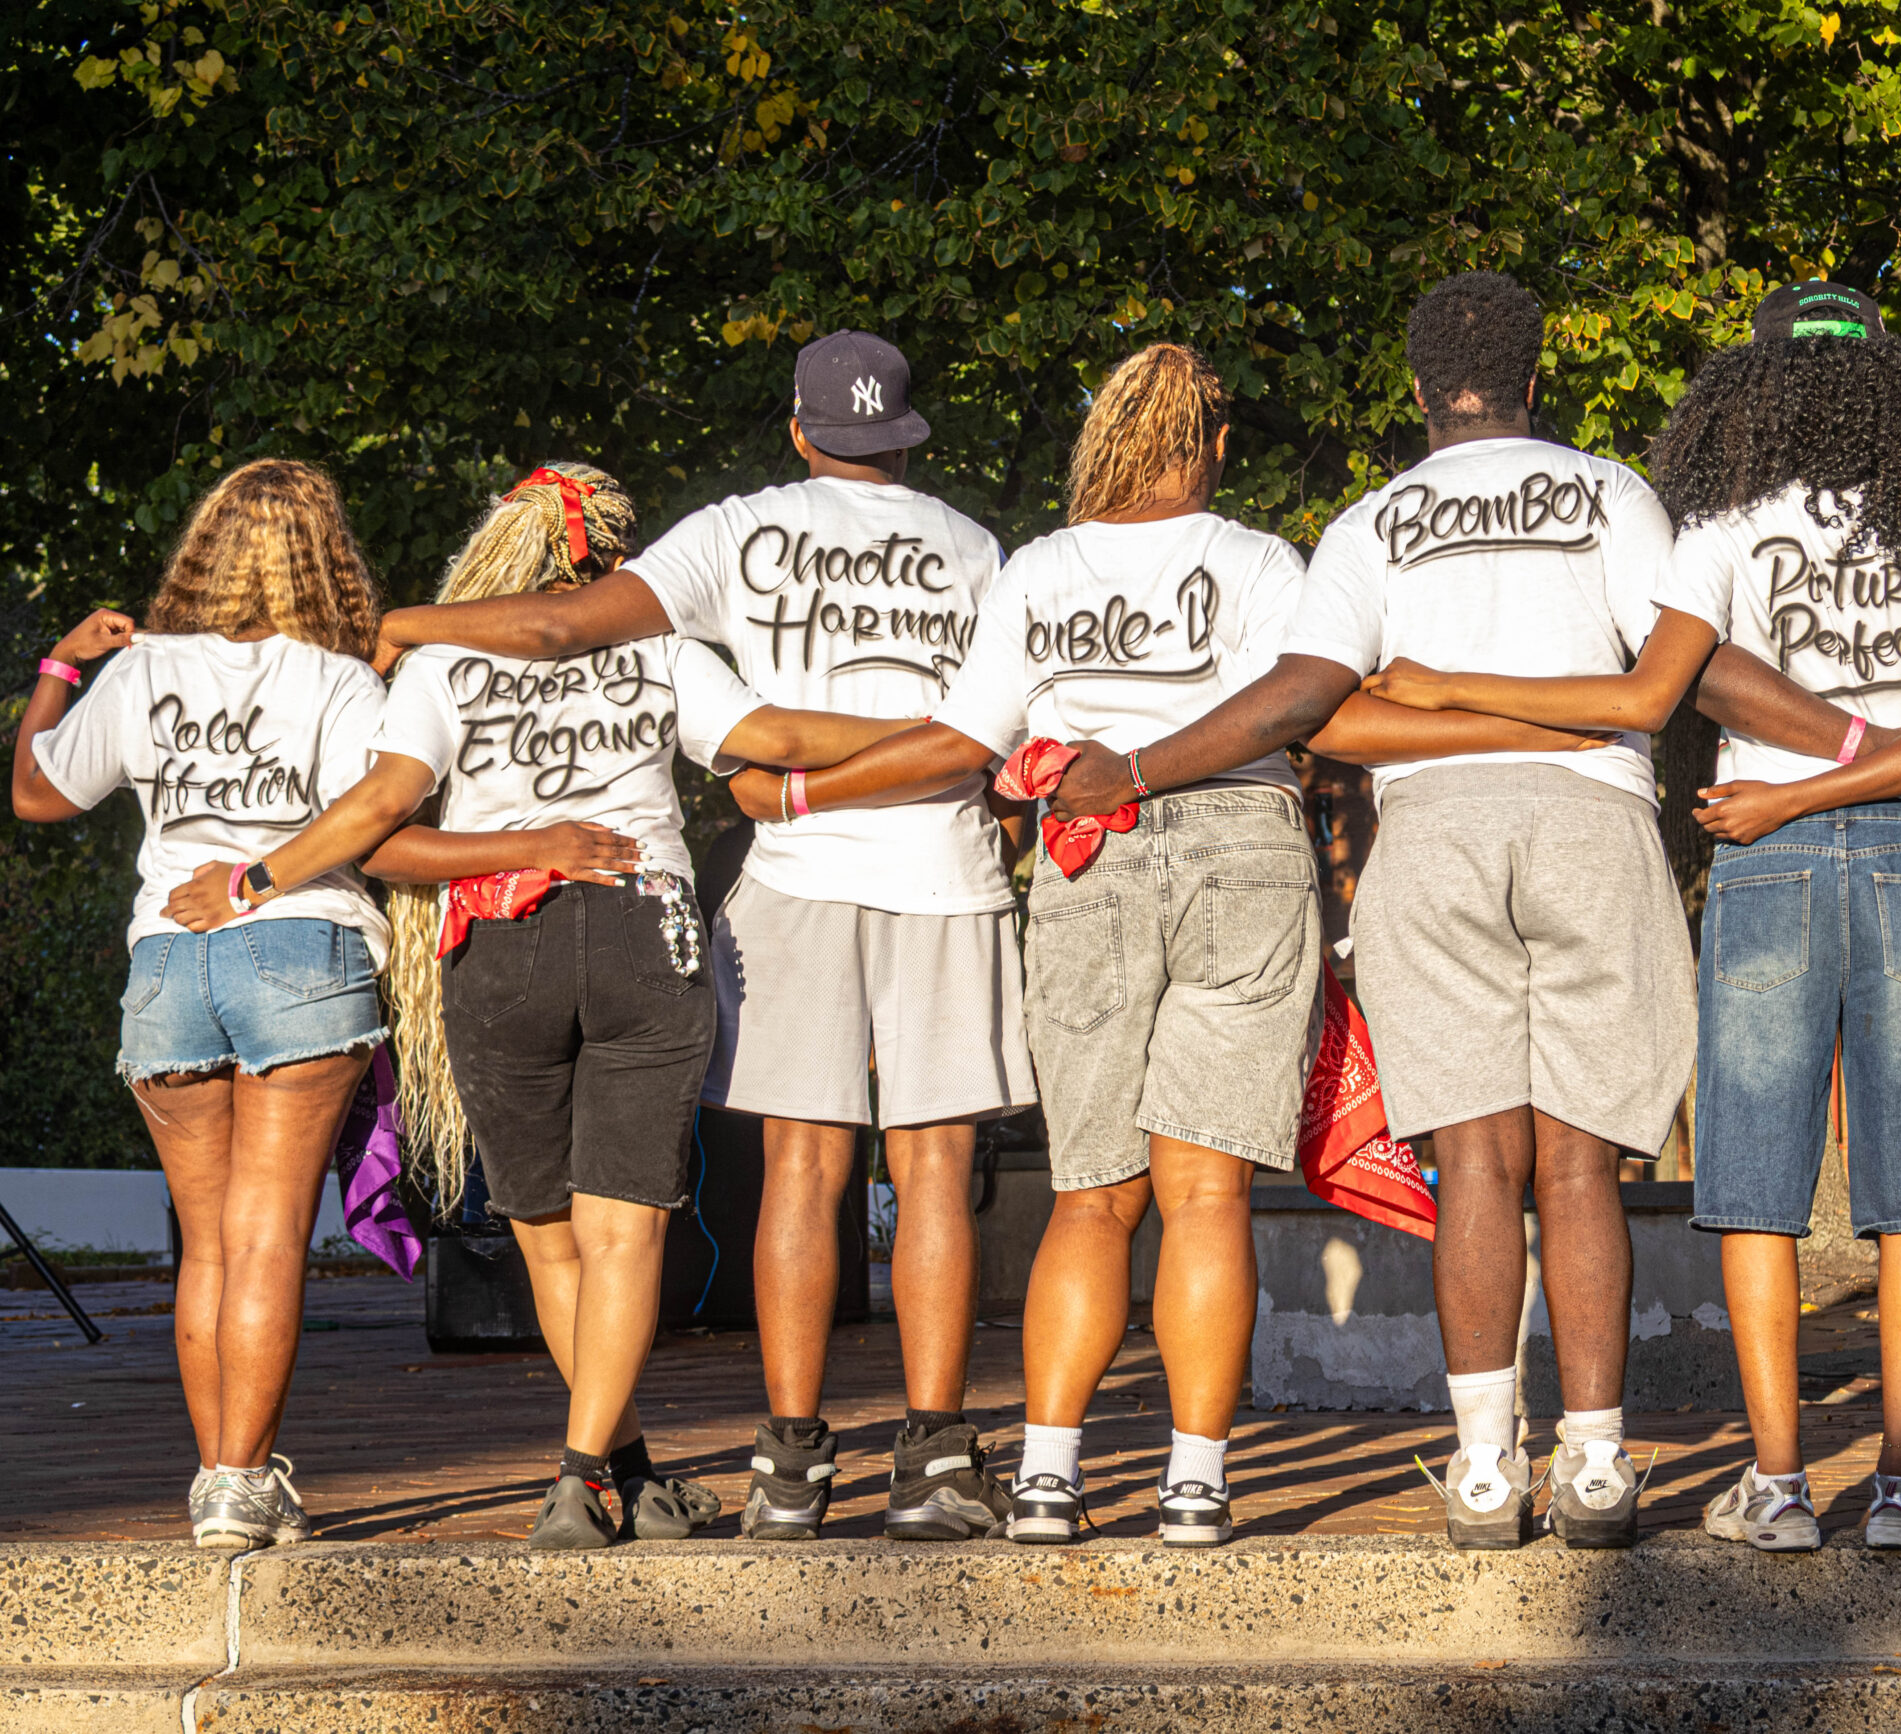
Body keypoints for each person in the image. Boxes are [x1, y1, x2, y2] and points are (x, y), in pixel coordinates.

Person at [724, 342, 1610, 1545]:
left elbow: (965, 742)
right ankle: (1194, 1484)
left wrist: (795, 792)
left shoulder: (1035, 570)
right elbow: (1309, 706)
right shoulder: (1255, 560)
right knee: (1207, 1197)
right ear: (1216, 450)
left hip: (1090, 856)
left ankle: (1046, 1479)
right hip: (1241, 846)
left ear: (1099, 441)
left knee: (1092, 1196)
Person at [1355, 282, 1901, 1555]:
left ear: (1754, 390)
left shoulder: (1714, 532)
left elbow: (1653, 689)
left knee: (1756, 1194)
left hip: (1766, 861)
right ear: (1891, 391)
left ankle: (1783, 1485)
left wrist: (1782, 788)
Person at [1040, 273, 1698, 1550]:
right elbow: (1658, 670)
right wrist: (1548, 715)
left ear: (1415, 394)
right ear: (1534, 379)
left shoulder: (1370, 523)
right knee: (1579, 1166)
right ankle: (1601, 1464)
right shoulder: (1613, 492)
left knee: (1473, 1165)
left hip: (1432, 833)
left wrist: (1133, 767)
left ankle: (1484, 1470)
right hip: (1593, 821)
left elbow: (1310, 707)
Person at [164, 463, 911, 1547]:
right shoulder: (660, 647)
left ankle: (613, 1472)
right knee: (623, 1236)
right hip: (637, 930)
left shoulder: (440, 660)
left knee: (548, 1237)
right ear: (611, 561)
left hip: (492, 945)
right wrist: (953, 729)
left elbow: (380, 822)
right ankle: (589, 1476)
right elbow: (781, 739)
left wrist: (251, 880)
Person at [372, 334, 1032, 1540]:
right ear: (908, 436)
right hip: (944, 863)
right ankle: (934, 1464)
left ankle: (788, 1467)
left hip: (794, 875)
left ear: (798, 428)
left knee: (802, 1166)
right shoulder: (973, 546)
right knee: (934, 1167)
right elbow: (983, 727)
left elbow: (570, 629)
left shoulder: (736, 529)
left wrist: (411, 620)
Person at [11, 458, 389, 1550]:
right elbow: (377, 821)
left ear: (204, 551)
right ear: (330, 556)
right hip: (301, 945)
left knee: (211, 1244)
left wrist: (59, 665)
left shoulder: (141, 672)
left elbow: (37, 793)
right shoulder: (342, 679)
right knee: (271, 1235)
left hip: (170, 964)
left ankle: (216, 1484)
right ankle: (241, 1482)